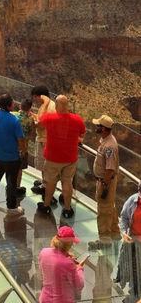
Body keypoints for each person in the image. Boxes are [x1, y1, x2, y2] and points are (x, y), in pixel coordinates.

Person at [37, 95, 85, 218]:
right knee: (67, 182)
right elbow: (82, 134)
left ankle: (46, 205)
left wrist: (46, 102)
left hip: (53, 157)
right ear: (67, 105)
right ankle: (67, 209)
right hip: (70, 158)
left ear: (57, 105)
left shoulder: (50, 118)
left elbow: (40, 120)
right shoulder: (77, 119)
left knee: (51, 182)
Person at [0, 93, 25, 215]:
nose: (14, 104)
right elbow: (20, 139)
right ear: (8, 106)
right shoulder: (14, 120)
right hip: (11, 156)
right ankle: (11, 207)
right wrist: (23, 150)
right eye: (12, 102)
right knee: (11, 182)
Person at [88, 114, 120, 250]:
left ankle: (104, 240)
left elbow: (109, 168)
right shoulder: (105, 141)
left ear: (104, 129)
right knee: (109, 207)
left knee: (103, 210)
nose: (96, 127)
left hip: (106, 182)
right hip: (103, 181)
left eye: (98, 125)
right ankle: (115, 233)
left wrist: (105, 186)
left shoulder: (109, 146)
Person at [39, 226, 85, 303]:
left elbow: (44, 270)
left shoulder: (44, 252)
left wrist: (65, 255)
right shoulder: (67, 263)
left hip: (45, 299)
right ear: (69, 244)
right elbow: (79, 285)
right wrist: (79, 268)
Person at [115, 180, 141, 302]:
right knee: (134, 272)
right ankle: (132, 298)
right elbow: (124, 217)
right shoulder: (133, 200)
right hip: (133, 242)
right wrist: (124, 233)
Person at [30, 86, 56, 195]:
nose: (34, 99)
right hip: (46, 138)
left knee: (44, 164)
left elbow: (42, 123)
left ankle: (45, 187)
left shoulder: (48, 107)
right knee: (45, 164)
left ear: (41, 96)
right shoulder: (51, 105)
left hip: (45, 139)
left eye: (35, 97)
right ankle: (44, 182)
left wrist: (34, 123)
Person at [11, 98, 35, 195]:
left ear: (20, 106)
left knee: (10, 167)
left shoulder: (13, 115)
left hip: (10, 145)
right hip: (22, 148)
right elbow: (32, 133)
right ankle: (16, 187)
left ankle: (10, 186)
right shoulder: (30, 119)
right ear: (30, 108)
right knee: (19, 169)